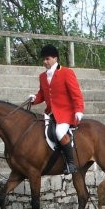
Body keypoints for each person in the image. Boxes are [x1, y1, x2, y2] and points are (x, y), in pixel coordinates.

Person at [28, 44, 85, 174]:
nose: (45, 62)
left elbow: (76, 93)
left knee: (60, 132)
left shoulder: (66, 72)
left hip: (66, 113)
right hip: (50, 113)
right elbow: (42, 94)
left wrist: (79, 110)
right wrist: (34, 99)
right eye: (43, 59)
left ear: (55, 58)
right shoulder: (42, 76)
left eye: (47, 59)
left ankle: (71, 163)